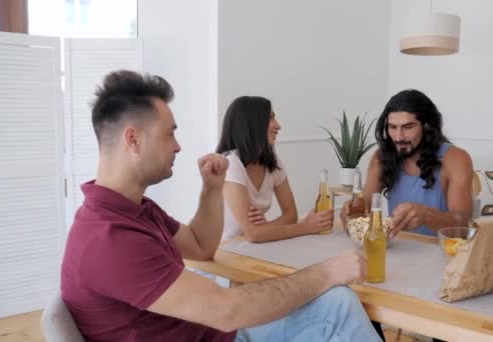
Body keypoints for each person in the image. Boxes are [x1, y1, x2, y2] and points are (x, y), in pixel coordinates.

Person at [60, 70, 382, 341]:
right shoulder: (109, 239)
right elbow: (227, 311)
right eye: (170, 134)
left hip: (218, 332)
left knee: (336, 304)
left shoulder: (135, 210)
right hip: (224, 329)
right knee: (338, 305)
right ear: (133, 140)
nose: (178, 146)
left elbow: (200, 247)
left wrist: (211, 191)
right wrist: (327, 272)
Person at [342, 89, 473, 238]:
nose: (398, 137)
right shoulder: (381, 157)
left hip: (440, 252)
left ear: (427, 126)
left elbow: (463, 224)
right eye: (392, 127)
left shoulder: (456, 158)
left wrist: (427, 216)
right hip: (400, 249)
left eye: (408, 127)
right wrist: (352, 210)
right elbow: (365, 203)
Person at [216, 96, 333, 242]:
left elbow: (291, 215)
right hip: (222, 250)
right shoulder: (230, 164)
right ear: (252, 124)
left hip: (248, 248)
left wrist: (265, 230)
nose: (278, 125)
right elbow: (254, 234)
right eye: (270, 118)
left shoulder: (273, 162)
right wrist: (305, 227)